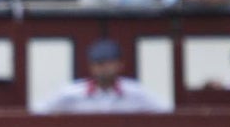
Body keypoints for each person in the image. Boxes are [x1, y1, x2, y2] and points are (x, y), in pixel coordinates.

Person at [33, 38, 172, 114]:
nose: (103, 69)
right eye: (99, 64)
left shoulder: (135, 93)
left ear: (120, 65)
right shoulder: (71, 94)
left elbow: (168, 112)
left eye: (109, 63)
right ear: (91, 67)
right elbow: (37, 112)